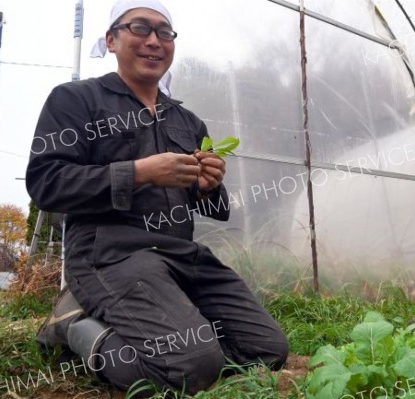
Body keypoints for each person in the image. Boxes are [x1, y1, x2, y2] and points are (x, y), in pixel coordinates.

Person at [25, 0, 289, 395]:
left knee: (266, 349)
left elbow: (213, 208)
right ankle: (72, 326)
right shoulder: (76, 100)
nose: (154, 41)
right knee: (190, 365)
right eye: (140, 29)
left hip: (178, 254)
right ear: (112, 40)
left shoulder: (186, 120)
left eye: (164, 33)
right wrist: (139, 172)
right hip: (108, 255)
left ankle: (173, 335)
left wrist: (209, 185)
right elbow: (46, 183)